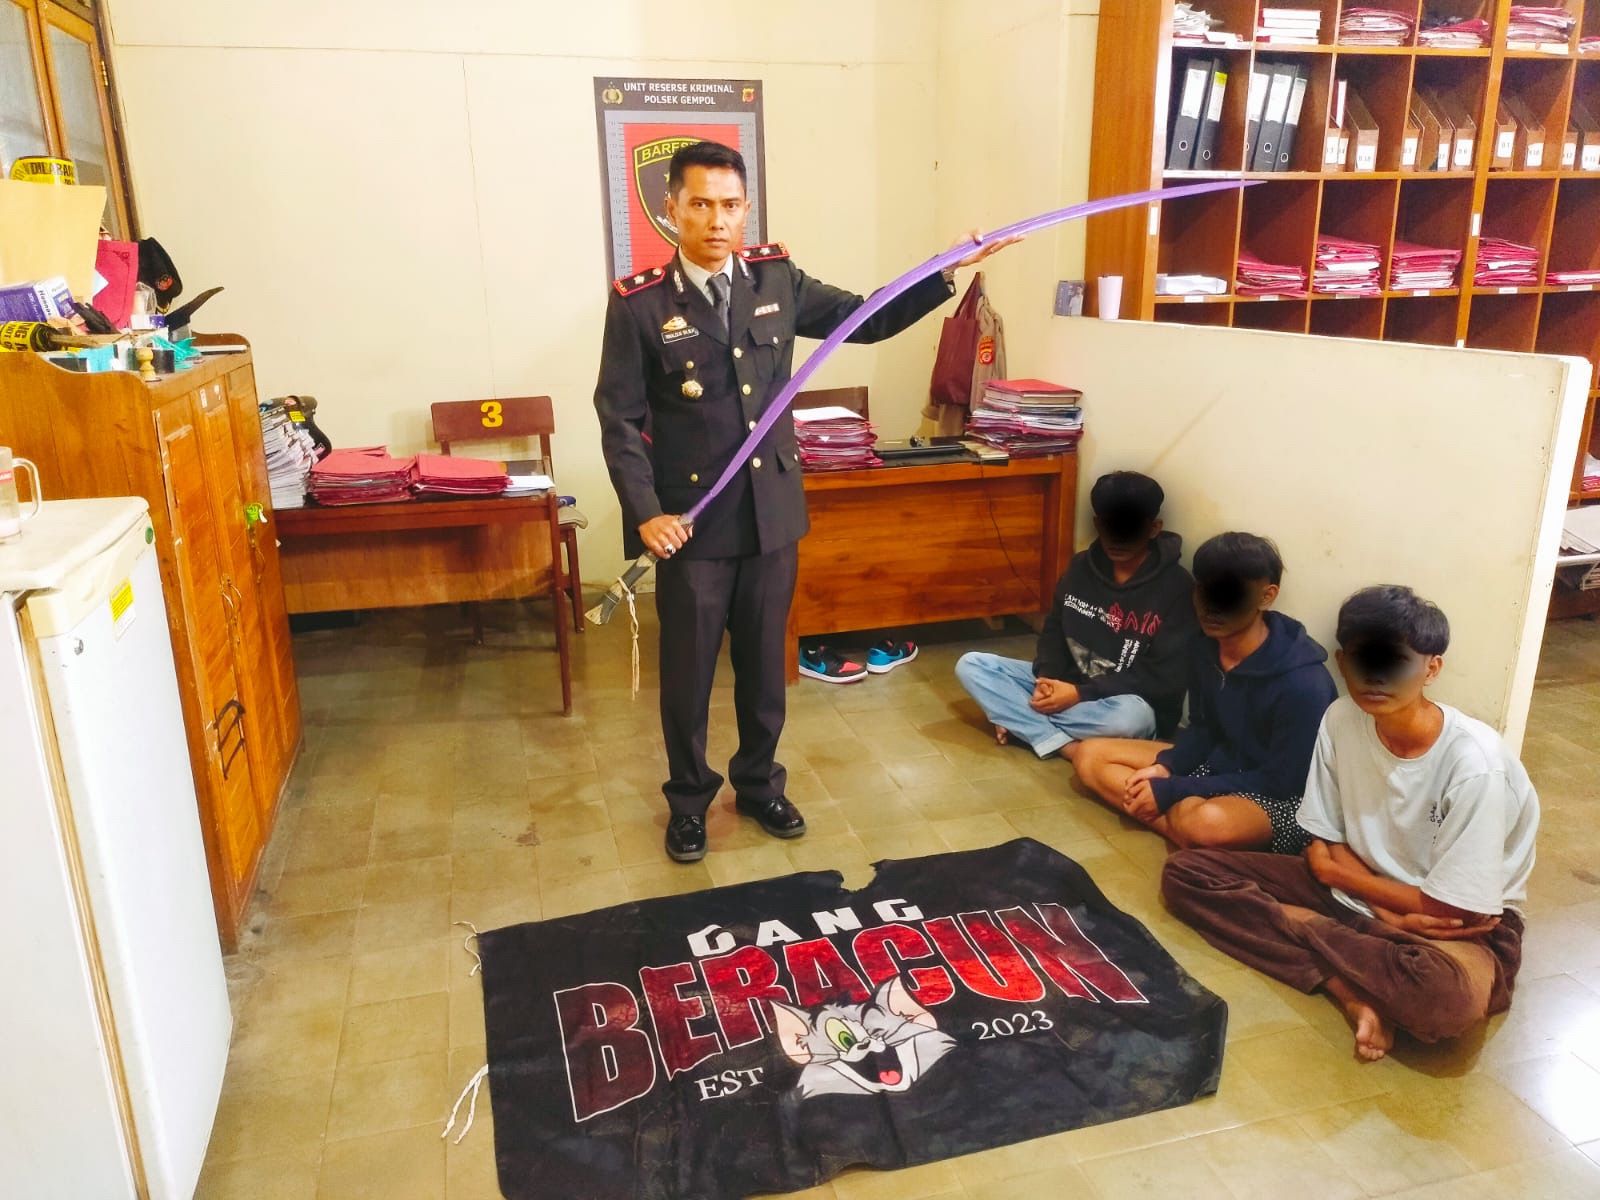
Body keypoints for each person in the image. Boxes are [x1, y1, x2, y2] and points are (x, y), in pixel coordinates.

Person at [593, 140, 1016, 862]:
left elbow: (867, 316)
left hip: (771, 517)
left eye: (731, 205)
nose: (717, 220)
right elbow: (620, 417)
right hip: (691, 528)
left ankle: (759, 785)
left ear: (746, 208)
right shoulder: (640, 305)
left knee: (766, 669)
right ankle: (689, 802)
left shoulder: (776, 278)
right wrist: (646, 513)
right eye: (701, 204)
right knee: (688, 679)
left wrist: (946, 268)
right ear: (671, 209)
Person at [1162, 586, 1539, 1062]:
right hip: (1363, 889)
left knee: (1443, 1000)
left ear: (1432, 668)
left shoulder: (1475, 765)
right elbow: (1327, 837)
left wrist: (1340, 879)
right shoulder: (1341, 718)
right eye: (1362, 659)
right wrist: (1379, 909)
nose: (1375, 676)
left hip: (1452, 925)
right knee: (1186, 872)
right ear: (1342, 662)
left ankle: (1303, 928)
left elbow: (1453, 909)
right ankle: (1347, 986)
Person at [1072, 531, 1336, 851]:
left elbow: (1284, 780)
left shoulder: (1304, 682)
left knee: (1203, 821)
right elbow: (1203, 728)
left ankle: (1187, 826)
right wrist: (1167, 767)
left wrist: (1174, 789)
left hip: (1280, 796)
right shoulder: (1204, 647)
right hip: (1219, 763)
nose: (1212, 607)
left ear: (1266, 596)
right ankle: (1181, 828)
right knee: (1090, 756)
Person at [954, 471, 1196, 759]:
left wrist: (1078, 695)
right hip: (1068, 686)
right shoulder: (1081, 567)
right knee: (972, 665)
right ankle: (1063, 744)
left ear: (1154, 528)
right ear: (1097, 524)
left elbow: (1163, 679)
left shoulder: (1178, 588)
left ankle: (1023, 723)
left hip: (1123, 703)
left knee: (1131, 719)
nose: (1118, 538)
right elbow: (1054, 631)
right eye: (1109, 526)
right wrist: (1046, 681)